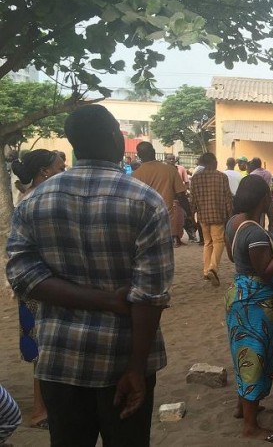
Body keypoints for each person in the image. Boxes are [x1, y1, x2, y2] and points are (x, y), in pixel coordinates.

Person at [6, 104, 172, 446]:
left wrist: (98, 300)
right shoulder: (145, 201)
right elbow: (150, 294)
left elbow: (21, 275)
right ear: (114, 138)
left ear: (73, 144)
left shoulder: (34, 201)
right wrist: (136, 370)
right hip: (124, 358)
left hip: (60, 360)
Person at [224, 176, 273, 443]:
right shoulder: (256, 233)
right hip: (255, 303)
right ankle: (251, 425)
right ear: (263, 200)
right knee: (255, 359)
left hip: (240, 296)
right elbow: (268, 271)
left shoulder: (233, 224)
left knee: (244, 354)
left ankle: (242, 408)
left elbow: (234, 257)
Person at [10, 149, 66, 430]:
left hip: (36, 283)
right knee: (44, 347)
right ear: (45, 170)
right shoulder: (38, 199)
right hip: (41, 284)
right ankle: (40, 411)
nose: (63, 169)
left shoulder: (28, 197)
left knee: (44, 346)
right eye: (59, 166)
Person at [132, 142, 190, 248]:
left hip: (144, 223)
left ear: (139, 156)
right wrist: (190, 214)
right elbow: (181, 195)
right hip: (165, 221)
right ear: (154, 152)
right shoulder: (170, 170)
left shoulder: (135, 175)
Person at [191, 152, 234, 286]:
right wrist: (230, 214)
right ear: (212, 163)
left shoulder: (196, 178)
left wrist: (192, 216)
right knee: (218, 241)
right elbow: (228, 198)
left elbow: (193, 200)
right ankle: (213, 268)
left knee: (207, 242)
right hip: (218, 214)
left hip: (203, 216)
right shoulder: (222, 177)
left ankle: (205, 271)